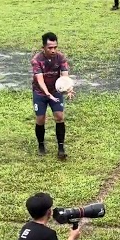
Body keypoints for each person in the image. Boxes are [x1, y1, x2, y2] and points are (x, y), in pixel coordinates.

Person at [31, 32, 75, 160]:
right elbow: (40, 81)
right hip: (40, 92)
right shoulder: (36, 60)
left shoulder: (61, 57)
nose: (53, 50)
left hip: (55, 92)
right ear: (43, 47)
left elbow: (65, 76)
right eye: (50, 47)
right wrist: (47, 94)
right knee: (40, 119)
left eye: (55, 47)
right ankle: (41, 145)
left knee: (59, 117)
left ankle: (61, 148)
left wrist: (68, 88)